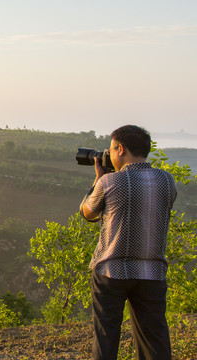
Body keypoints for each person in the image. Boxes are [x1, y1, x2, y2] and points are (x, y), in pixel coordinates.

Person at [80, 125, 177, 360]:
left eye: (112, 149)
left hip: (111, 270)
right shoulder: (167, 181)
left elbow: (88, 212)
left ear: (120, 149)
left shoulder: (109, 182)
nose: (110, 155)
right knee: (154, 338)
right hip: (152, 270)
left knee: (106, 337)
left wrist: (98, 179)